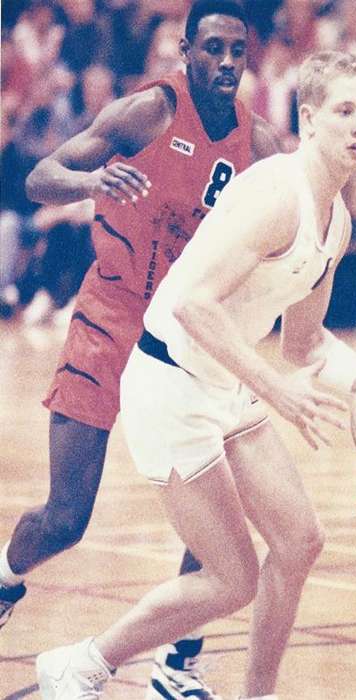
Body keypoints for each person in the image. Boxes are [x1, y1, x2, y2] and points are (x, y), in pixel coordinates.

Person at [35, 49, 356, 700]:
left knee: (300, 542)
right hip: (169, 382)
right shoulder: (277, 195)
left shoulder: (337, 222)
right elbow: (193, 304)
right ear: (308, 119)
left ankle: (258, 694)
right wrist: (274, 389)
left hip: (224, 380)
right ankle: (80, 663)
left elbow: (303, 346)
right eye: (343, 111)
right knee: (231, 577)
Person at [0, 2, 281, 699]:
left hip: (186, 337)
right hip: (109, 320)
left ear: (248, 56)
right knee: (66, 517)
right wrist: (92, 182)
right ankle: (5, 576)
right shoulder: (145, 114)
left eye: (236, 51)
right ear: (186, 51)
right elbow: (40, 178)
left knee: (213, 510)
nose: (225, 63)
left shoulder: (264, 145)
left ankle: (177, 663)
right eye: (211, 48)